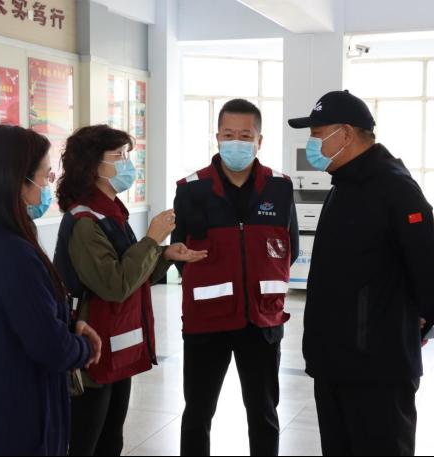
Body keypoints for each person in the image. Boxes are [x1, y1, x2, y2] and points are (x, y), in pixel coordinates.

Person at [288, 90, 434, 456]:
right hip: (334, 362)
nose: (313, 143)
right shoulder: (344, 183)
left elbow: (429, 278)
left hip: (378, 370)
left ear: (345, 134)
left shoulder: (395, 188)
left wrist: (410, 329)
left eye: (317, 133)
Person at [53, 125, 207, 456]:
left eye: (127, 154)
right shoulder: (85, 221)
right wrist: (151, 240)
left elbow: (133, 275)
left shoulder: (112, 212)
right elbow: (115, 284)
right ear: (93, 165)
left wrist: (164, 255)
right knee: (86, 444)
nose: (128, 163)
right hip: (92, 352)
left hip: (116, 346)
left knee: (111, 441)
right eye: (119, 156)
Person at [0, 125, 102, 456]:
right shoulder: (13, 253)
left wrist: (68, 325)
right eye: (45, 176)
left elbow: (25, 319)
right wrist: (84, 347)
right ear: (18, 181)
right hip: (18, 423)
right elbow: (51, 347)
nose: (47, 186)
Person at [172, 99, 300, 457]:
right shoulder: (191, 188)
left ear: (260, 141)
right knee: (197, 414)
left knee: (264, 414)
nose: (236, 142)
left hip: (262, 320)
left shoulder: (280, 187)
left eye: (245, 136)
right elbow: (179, 253)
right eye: (228, 135)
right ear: (217, 137)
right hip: (206, 322)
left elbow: (290, 249)